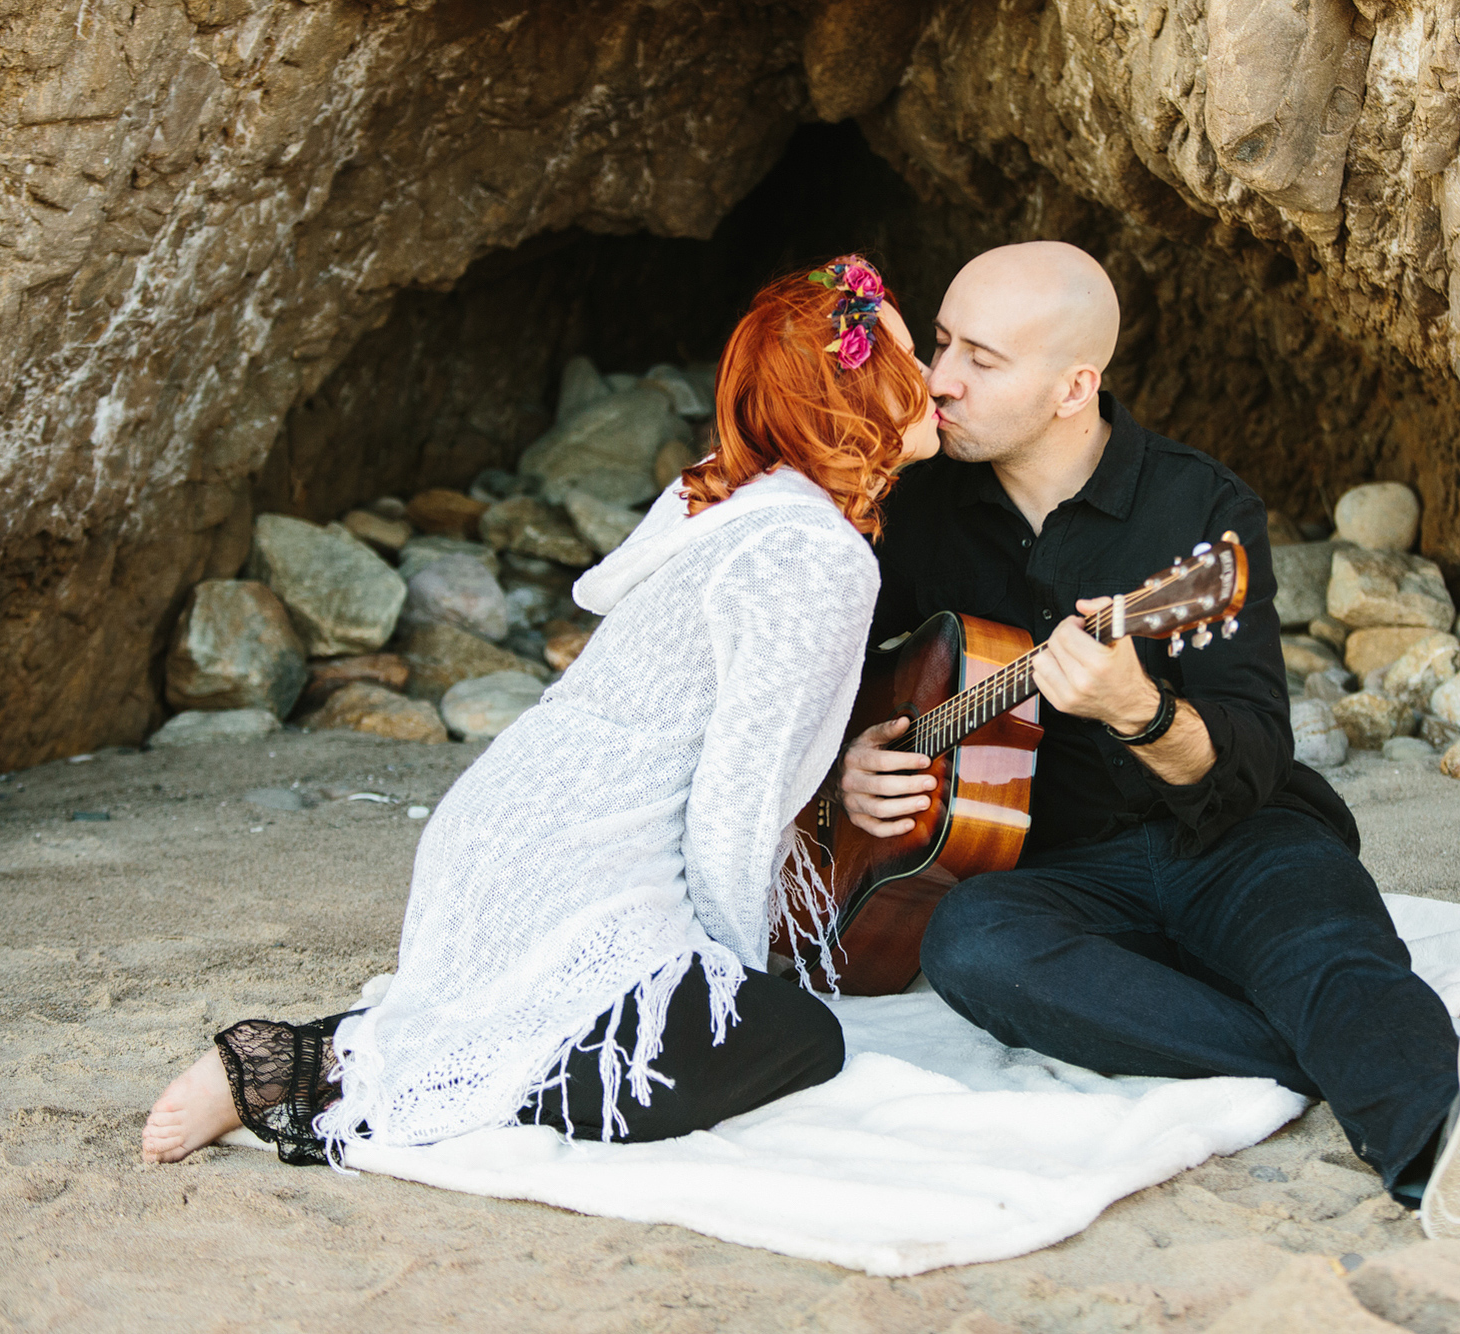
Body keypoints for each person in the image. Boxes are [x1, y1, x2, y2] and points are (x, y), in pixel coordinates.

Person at [835, 241, 1460, 1246]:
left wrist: (1135, 708)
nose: (939, 380)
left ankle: (1444, 1143)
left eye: (982, 357)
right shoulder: (922, 510)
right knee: (971, 944)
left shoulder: (1198, 517)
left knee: (1322, 940)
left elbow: (1249, 755)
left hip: (1229, 838)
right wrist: (852, 756)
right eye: (940, 342)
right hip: (1051, 871)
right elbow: (825, 668)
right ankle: (1338, 1055)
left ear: (1073, 386)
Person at [142, 256, 941, 1167]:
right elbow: (738, 798)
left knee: (604, 1015)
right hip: (572, 854)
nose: (932, 382)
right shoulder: (812, 554)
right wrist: (729, 979)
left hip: (506, 827)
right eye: (909, 358)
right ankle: (313, 1065)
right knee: (794, 1036)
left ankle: (338, 1056)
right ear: (854, 389)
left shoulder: (738, 500)